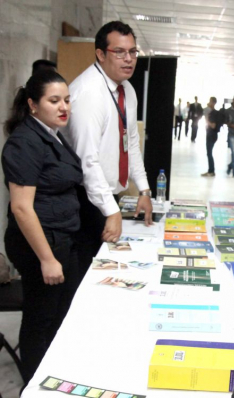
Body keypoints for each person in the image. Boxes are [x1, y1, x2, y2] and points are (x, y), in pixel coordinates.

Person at [2, 70, 82, 383]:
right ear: (33, 104)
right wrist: (47, 258)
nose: (64, 107)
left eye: (66, 100)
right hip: (40, 244)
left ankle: (54, 373)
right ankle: (35, 383)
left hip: (61, 236)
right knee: (41, 317)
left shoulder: (50, 133)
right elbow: (21, 207)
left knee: (60, 312)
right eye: (54, 100)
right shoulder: (25, 143)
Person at [65, 21, 153, 280]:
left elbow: (132, 142)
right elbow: (87, 161)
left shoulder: (127, 89)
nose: (129, 59)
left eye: (133, 52)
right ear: (101, 54)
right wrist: (111, 211)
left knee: (107, 269)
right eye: (119, 52)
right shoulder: (89, 93)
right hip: (84, 199)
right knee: (89, 274)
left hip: (106, 197)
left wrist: (144, 189)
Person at [201, 97, 220, 177]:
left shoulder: (211, 112)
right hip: (212, 134)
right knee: (209, 153)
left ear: (212, 102)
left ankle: (211, 171)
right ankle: (211, 170)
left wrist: (208, 122)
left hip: (211, 134)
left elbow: (211, 124)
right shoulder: (213, 112)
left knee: (209, 153)